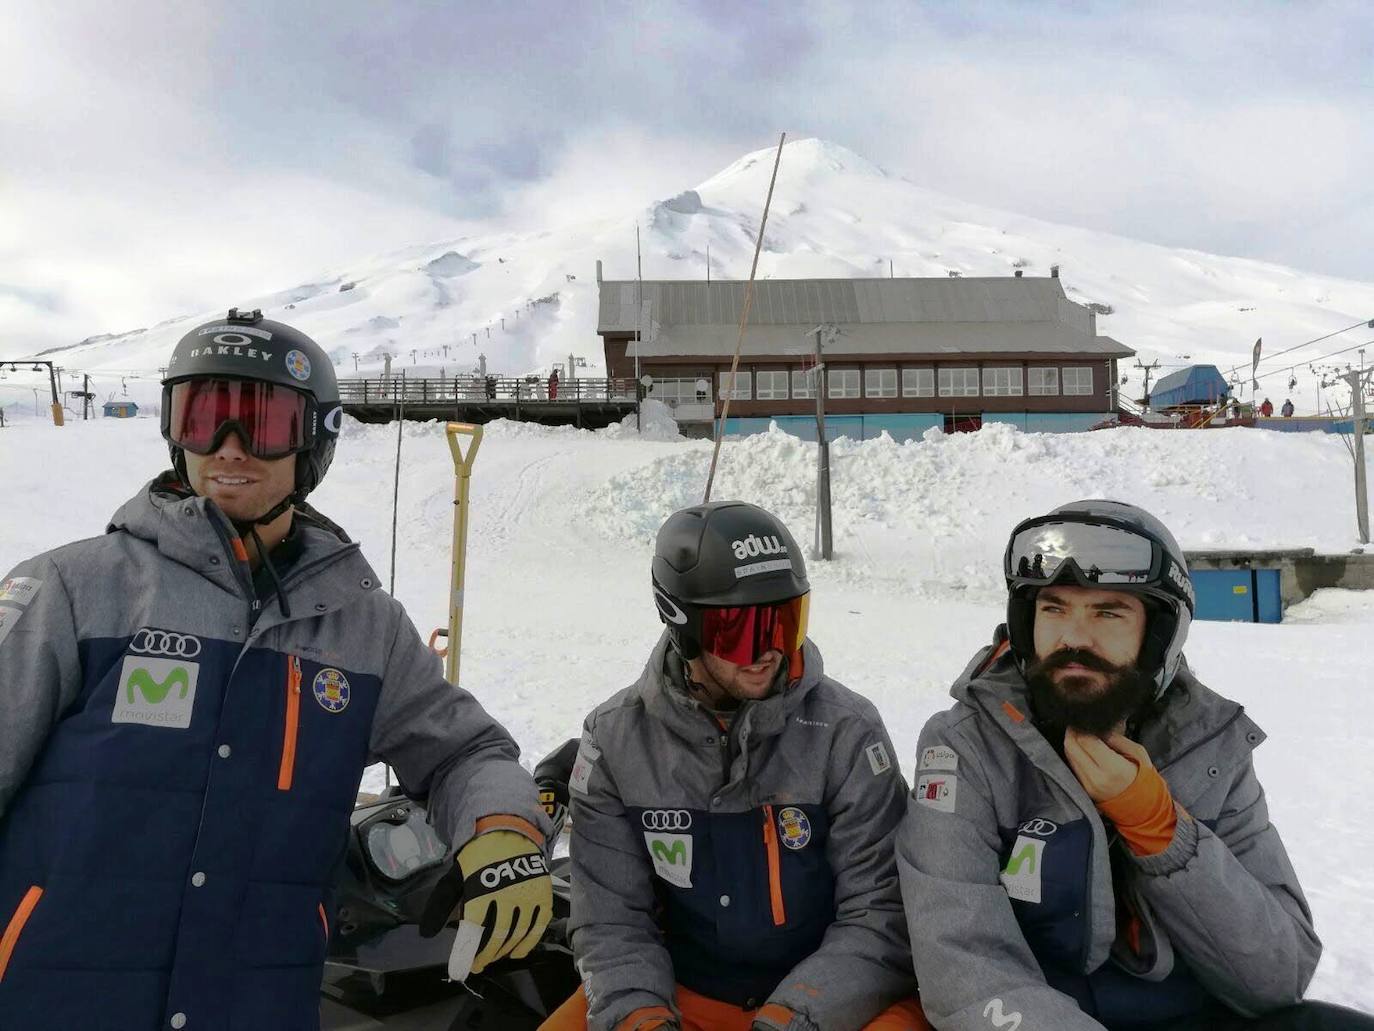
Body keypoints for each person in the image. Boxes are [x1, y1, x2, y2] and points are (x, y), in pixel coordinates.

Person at [0, 309, 552, 1030]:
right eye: (205, 417)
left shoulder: (362, 626)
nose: (229, 446)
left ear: (313, 440)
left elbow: (464, 749)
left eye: (261, 420)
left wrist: (503, 826)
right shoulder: (72, 590)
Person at [897, 499, 1374, 1031]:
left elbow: (1277, 976)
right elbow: (965, 966)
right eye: (1053, 609)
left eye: (1108, 612)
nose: (1074, 637)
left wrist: (1159, 826)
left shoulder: (1210, 746)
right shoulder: (968, 747)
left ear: (1159, 635)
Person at [543, 501, 926, 1031]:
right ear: (684, 627)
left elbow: (881, 915)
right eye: (742, 631)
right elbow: (611, 919)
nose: (768, 650)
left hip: (837, 998)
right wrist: (642, 1017)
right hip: (687, 990)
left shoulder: (846, 732)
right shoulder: (616, 740)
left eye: (785, 622)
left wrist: (794, 1017)